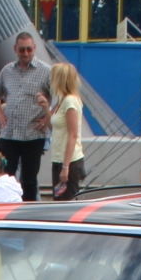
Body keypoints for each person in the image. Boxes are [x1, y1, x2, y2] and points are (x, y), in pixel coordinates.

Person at [0, 32, 51, 200]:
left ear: (35, 48)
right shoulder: (7, 70)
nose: (26, 54)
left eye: (29, 49)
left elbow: (60, 97)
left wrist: (48, 116)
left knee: (29, 179)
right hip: (10, 133)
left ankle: (29, 214)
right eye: (22, 50)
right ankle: (7, 207)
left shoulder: (45, 71)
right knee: (6, 176)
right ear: (15, 49)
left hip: (33, 134)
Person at [48, 62, 86, 201]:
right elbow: (53, 124)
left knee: (66, 202)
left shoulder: (70, 101)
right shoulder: (61, 100)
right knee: (58, 200)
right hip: (58, 158)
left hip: (69, 160)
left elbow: (73, 134)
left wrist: (65, 166)